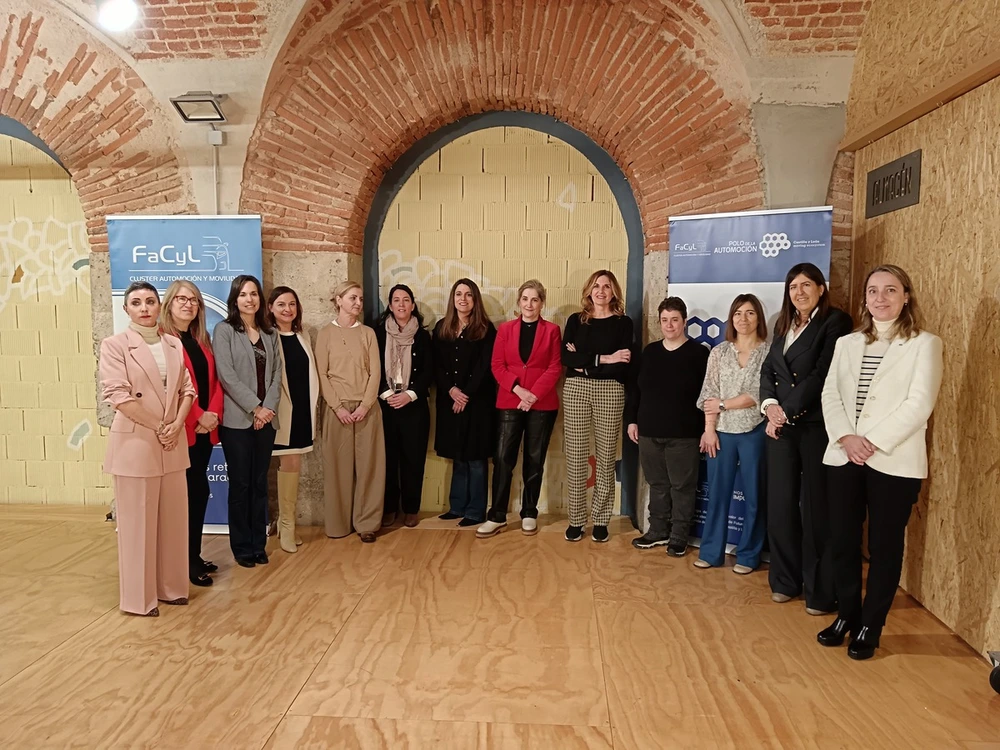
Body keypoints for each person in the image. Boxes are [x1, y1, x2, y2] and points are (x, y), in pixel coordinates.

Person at [817, 265, 942, 660]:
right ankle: (848, 615)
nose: (881, 298)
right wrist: (847, 438)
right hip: (844, 454)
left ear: (906, 296)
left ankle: (871, 625)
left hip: (893, 461)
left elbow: (919, 404)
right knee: (843, 541)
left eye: (891, 290)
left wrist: (869, 442)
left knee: (886, 548)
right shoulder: (847, 343)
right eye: (873, 291)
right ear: (865, 298)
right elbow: (829, 394)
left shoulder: (925, 344)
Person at [760, 263, 852, 612]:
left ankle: (819, 592)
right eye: (793, 286)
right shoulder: (784, 325)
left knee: (816, 510)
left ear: (821, 288)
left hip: (815, 426)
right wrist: (770, 407)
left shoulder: (835, 322)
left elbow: (821, 374)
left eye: (806, 285)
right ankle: (784, 580)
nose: (799, 292)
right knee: (781, 505)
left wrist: (785, 411)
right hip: (781, 428)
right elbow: (768, 369)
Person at [99, 281, 195, 616]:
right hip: (137, 442)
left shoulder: (173, 343)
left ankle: (171, 588)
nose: (144, 308)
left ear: (159, 306)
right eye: (136, 302)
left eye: (150, 301)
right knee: (137, 524)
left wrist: (177, 425)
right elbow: (118, 396)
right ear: (126, 309)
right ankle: (139, 600)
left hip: (171, 440)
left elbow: (187, 390)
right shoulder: (114, 346)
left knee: (172, 520)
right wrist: (160, 427)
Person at [477, 280, 562, 538]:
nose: (529, 304)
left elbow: (555, 367)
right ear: (519, 302)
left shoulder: (552, 331)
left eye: (535, 300)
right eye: (525, 299)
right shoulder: (505, 329)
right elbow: (497, 365)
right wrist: (519, 391)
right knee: (503, 458)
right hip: (510, 400)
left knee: (534, 460)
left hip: (542, 404)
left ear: (542, 303)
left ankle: (529, 512)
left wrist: (533, 394)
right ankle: (497, 515)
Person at [626, 297, 708, 557]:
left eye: (674, 320)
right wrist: (632, 420)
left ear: (684, 321)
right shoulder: (649, 352)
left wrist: (707, 429)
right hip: (649, 432)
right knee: (657, 484)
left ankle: (679, 536)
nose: (669, 325)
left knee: (682, 486)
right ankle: (657, 530)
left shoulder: (699, 354)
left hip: (684, 435)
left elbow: (708, 394)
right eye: (664, 320)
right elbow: (636, 390)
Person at [695, 294, 769, 573]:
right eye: (738, 313)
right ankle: (711, 552)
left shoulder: (768, 352)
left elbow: (760, 394)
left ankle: (749, 555)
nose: (743, 319)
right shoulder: (719, 352)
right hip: (721, 433)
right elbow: (708, 394)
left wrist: (725, 404)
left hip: (754, 432)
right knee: (717, 495)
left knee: (754, 496)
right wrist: (709, 429)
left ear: (759, 318)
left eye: (750, 313)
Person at [213, 275, 282, 568]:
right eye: (243, 294)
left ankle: (258, 544)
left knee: (259, 483)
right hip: (237, 421)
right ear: (235, 299)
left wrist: (267, 410)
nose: (249, 299)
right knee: (240, 485)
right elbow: (226, 375)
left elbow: (278, 375)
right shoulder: (225, 330)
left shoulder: (271, 333)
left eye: (254, 294)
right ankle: (242, 547)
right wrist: (255, 408)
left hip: (266, 420)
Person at [561, 269, 635, 543]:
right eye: (596, 286)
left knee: (605, 456)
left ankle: (601, 519)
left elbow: (623, 362)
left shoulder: (623, 323)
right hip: (576, 390)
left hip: (610, 390)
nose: (601, 291)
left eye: (606, 286)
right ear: (589, 290)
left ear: (613, 291)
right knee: (576, 454)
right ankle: (577, 520)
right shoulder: (576, 321)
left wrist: (585, 363)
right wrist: (606, 358)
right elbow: (565, 359)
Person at [160, 280, 223, 587]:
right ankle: (181, 560)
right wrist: (198, 415)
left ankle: (193, 555)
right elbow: (169, 390)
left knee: (198, 493)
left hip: (203, 431)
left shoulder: (202, 339)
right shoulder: (161, 341)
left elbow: (214, 382)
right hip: (181, 430)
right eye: (181, 299)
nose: (188, 304)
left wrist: (212, 416)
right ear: (169, 303)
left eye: (194, 300)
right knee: (183, 496)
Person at [315, 280, 385, 543]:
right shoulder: (325, 334)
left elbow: (375, 371)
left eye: (360, 299)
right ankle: (338, 523)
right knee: (337, 469)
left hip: (367, 409)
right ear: (338, 300)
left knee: (370, 468)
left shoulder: (367, 333)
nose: (358, 303)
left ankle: (367, 523)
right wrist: (337, 407)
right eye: (352, 298)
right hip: (337, 411)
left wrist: (366, 404)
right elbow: (322, 373)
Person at [432, 278, 497, 527]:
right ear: (453, 299)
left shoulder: (485, 329)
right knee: (458, 456)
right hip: (451, 402)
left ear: (475, 299)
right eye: (458, 294)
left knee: (476, 458)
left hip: (477, 403)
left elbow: (484, 366)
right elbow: (437, 365)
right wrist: (452, 391)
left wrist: (465, 394)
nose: (463, 299)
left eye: (468, 295)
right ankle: (457, 506)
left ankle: (475, 510)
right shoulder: (442, 328)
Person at [375, 284, 433, 529]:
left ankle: (411, 509)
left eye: (406, 300)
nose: (401, 304)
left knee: (413, 460)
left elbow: (429, 370)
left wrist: (409, 394)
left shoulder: (422, 335)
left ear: (412, 305)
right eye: (396, 300)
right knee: (387, 460)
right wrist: (387, 394)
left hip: (414, 406)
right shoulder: (377, 334)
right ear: (390, 305)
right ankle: (389, 508)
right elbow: (371, 367)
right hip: (385, 406)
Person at [267, 286, 319, 554]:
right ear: (270, 308)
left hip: (302, 408)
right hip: (279, 410)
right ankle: (286, 525)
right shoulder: (267, 336)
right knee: (288, 461)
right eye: (281, 304)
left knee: (294, 461)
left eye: (292, 304)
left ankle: (286, 523)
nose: (287, 309)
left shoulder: (303, 335)